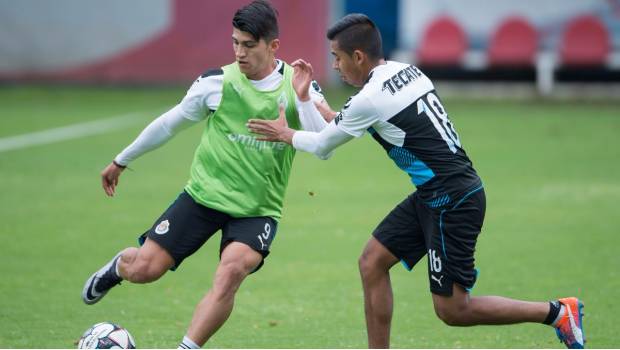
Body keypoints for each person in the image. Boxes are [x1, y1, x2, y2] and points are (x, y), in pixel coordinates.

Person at [247, 14, 585, 349]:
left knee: (453, 309)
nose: (334, 65)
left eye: (337, 57)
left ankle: (556, 312)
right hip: (438, 192)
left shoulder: (370, 97)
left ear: (359, 57)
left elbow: (324, 145)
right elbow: (349, 122)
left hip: (452, 200)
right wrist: (309, 99)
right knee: (372, 262)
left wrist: (284, 133)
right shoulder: (403, 71)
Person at [81, 1, 329, 348]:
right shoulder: (216, 83)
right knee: (144, 270)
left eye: (248, 45)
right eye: (235, 43)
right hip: (202, 198)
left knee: (231, 272)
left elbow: (325, 144)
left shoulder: (298, 84)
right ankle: (118, 268)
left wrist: (302, 102)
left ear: (273, 46)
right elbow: (169, 124)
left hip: (257, 210)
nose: (239, 53)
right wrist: (122, 159)